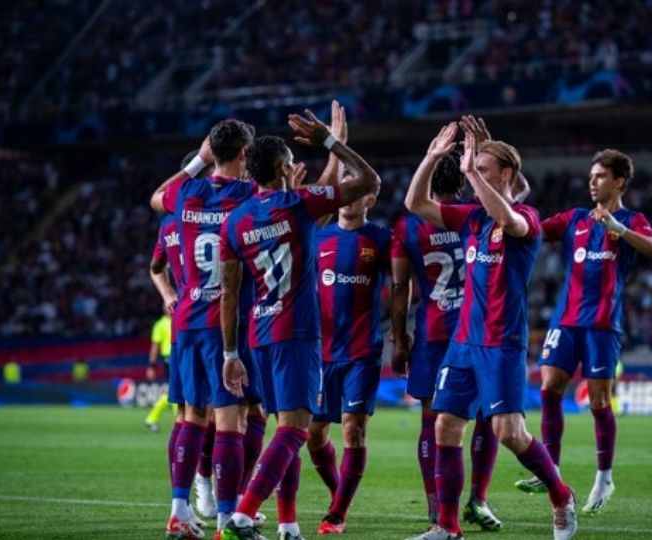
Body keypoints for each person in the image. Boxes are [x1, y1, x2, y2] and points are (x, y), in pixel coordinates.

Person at [403, 123, 576, 540]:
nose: (469, 172)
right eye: (471, 165)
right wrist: (431, 157)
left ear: (505, 175)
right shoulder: (471, 218)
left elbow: (509, 216)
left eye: (480, 167)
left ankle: (561, 495)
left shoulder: (526, 220)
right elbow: (414, 203)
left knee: (509, 432)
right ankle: (447, 527)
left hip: (502, 343)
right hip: (463, 341)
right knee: (445, 425)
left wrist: (474, 173)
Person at [218, 111, 381, 540]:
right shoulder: (299, 205)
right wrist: (330, 141)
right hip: (298, 331)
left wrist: (230, 354)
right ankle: (242, 514)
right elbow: (369, 181)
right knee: (295, 429)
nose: (294, 166)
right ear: (281, 168)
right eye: (290, 162)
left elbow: (230, 294)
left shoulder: (235, 221)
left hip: (258, 335)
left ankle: (289, 525)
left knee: (283, 429)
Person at [391, 116, 527, 532]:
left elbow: (401, 289)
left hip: (433, 332)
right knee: (487, 416)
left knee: (435, 422)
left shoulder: (410, 226)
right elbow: (519, 197)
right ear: (465, 183)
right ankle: (478, 501)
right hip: (478, 328)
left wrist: (399, 340)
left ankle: (437, 507)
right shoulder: (478, 214)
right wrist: (491, 156)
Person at [519, 149, 652, 518]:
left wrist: (620, 229)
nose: (592, 182)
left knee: (599, 402)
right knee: (549, 386)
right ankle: (550, 467)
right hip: (565, 321)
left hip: (602, 325)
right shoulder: (575, 219)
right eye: (590, 176)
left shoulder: (632, 219)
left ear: (619, 182)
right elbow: (532, 228)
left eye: (600, 176)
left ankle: (604, 476)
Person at [150, 120, 263, 540]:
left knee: (191, 417)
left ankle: (179, 509)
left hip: (187, 321)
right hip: (224, 321)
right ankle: (224, 519)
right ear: (244, 155)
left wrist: (199, 160)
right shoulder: (249, 196)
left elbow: (155, 197)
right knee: (229, 422)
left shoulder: (186, 194)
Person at [307, 172, 389, 535]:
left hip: (362, 351)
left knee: (353, 430)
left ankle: (337, 514)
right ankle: (338, 492)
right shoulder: (318, 238)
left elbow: (403, 285)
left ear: (369, 199)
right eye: (344, 190)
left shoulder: (382, 239)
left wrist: (400, 334)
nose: (347, 197)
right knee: (313, 433)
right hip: (320, 353)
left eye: (356, 192)